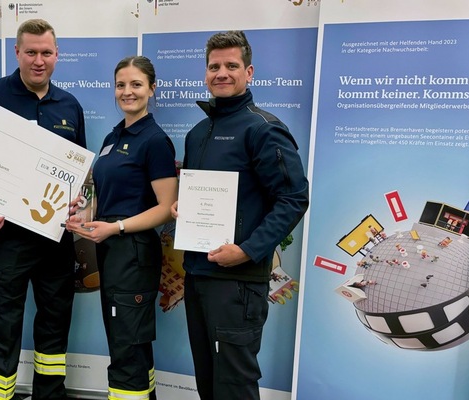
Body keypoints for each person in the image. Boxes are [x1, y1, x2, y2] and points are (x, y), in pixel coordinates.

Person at [171, 31, 309, 400]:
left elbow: (294, 198)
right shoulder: (199, 132)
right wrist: (181, 208)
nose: (222, 73)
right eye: (214, 66)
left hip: (237, 282)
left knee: (233, 385)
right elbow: (203, 195)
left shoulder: (263, 129)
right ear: (205, 74)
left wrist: (248, 250)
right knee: (208, 381)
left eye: (231, 65)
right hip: (197, 274)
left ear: (249, 72)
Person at [0, 18, 86, 400]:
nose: (38, 60)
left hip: (56, 238)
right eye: (30, 52)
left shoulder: (70, 105)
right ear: (16, 52)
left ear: (57, 55)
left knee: (55, 320)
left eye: (46, 52)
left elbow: (78, 170)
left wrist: (78, 200)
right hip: (9, 236)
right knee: (4, 322)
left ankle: (51, 393)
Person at [66, 56, 177, 400]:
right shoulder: (114, 137)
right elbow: (107, 196)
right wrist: (82, 216)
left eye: (136, 84)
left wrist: (116, 228)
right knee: (128, 341)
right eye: (120, 85)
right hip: (112, 250)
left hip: (133, 252)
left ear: (152, 89)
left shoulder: (154, 141)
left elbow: (164, 209)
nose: (127, 92)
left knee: (127, 346)